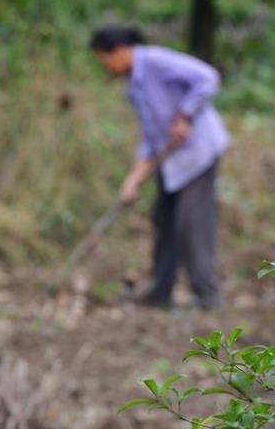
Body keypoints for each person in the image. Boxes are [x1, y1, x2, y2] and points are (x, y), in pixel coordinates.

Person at [89, 24, 230, 309]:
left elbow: (207, 77)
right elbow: (150, 136)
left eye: (105, 60)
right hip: (171, 160)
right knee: (164, 221)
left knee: (191, 224)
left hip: (197, 153)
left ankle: (208, 297)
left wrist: (185, 115)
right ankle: (160, 291)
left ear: (119, 51)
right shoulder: (133, 85)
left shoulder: (155, 61)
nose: (107, 67)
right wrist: (135, 178)